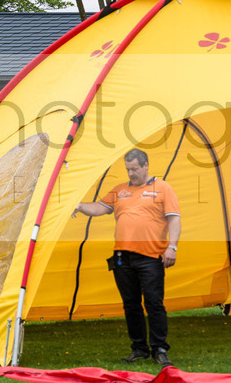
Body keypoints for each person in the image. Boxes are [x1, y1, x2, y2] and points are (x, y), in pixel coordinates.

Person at [73, 148, 181, 367]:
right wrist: (79, 206)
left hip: (150, 257)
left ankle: (159, 348)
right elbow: (99, 208)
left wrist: (172, 247)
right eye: (128, 169)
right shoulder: (119, 190)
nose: (131, 174)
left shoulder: (163, 188)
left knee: (154, 303)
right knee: (131, 304)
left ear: (145, 165)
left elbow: (174, 219)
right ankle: (139, 348)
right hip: (122, 257)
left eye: (134, 169)